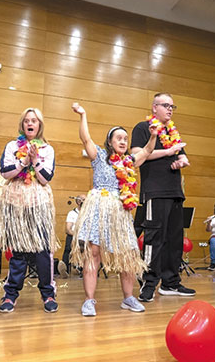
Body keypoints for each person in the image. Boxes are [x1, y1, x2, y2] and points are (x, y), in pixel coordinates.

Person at [71, 103, 156, 316]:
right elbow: (85, 139)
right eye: (118, 138)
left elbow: (147, 151)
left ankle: (128, 298)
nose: (123, 141)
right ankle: (89, 301)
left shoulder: (129, 162)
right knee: (93, 253)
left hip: (120, 212)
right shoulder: (99, 156)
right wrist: (83, 115)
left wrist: (153, 135)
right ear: (110, 141)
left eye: (125, 138)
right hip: (98, 209)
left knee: (128, 254)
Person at [0, 108, 58, 313]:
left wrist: (35, 160)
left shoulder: (47, 149)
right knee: (17, 252)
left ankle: (48, 294)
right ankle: (10, 294)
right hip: (16, 202)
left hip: (39, 203)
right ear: (22, 124)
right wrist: (23, 162)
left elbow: (46, 178)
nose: (30, 123)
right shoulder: (12, 146)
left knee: (43, 250)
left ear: (39, 125)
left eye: (34, 121)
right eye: (27, 120)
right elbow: (5, 173)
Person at [130, 93, 194, 302]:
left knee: (174, 240)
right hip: (155, 191)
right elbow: (137, 156)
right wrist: (168, 153)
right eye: (166, 105)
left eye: (172, 106)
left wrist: (181, 161)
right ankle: (148, 283)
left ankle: (171, 283)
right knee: (154, 239)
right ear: (154, 107)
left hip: (175, 191)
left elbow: (182, 155)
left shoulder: (172, 132)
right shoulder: (143, 128)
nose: (170, 109)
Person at [60, 194, 86, 279]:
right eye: (83, 200)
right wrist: (77, 235)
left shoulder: (89, 213)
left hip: (86, 237)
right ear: (78, 202)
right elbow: (68, 229)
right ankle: (65, 270)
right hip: (74, 236)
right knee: (68, 246)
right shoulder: (72, 213)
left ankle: (84, 269)